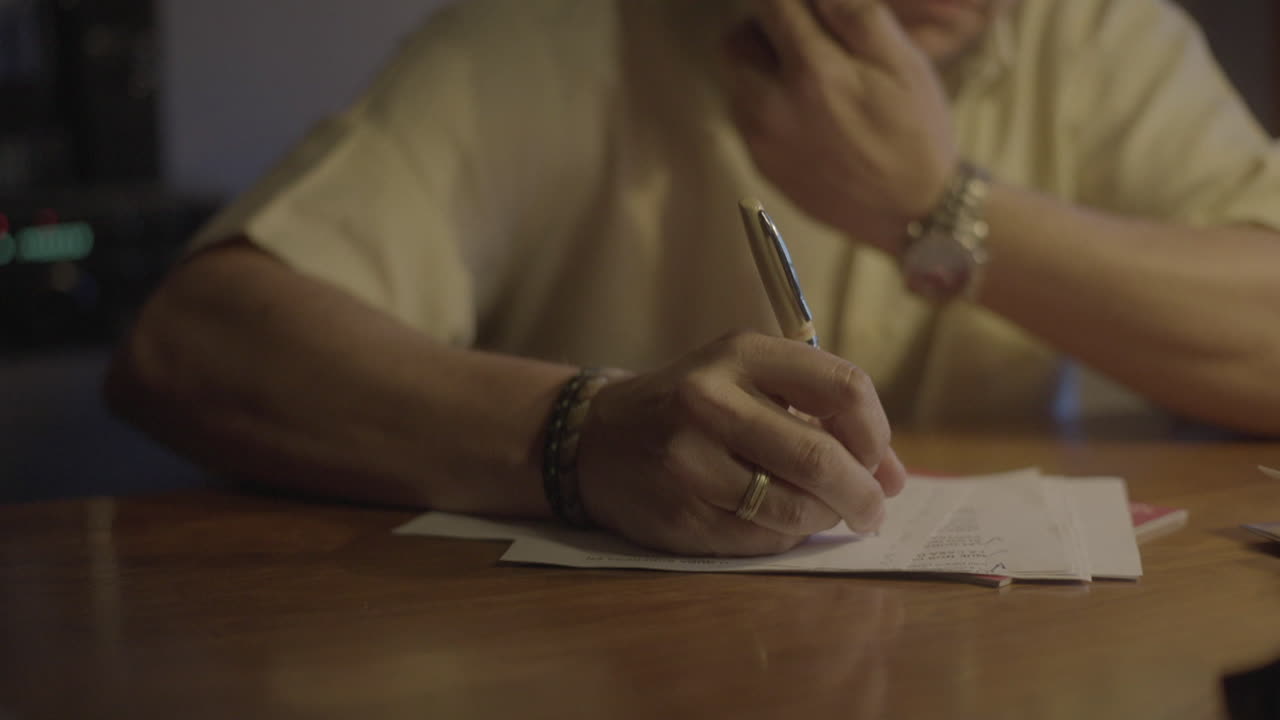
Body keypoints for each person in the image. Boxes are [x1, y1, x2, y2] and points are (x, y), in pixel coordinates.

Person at [106, 0, 1280, 556]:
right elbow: (196, 343)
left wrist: (934, 210)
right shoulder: (556, 34)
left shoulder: (1097, 34)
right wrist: (574, 433)